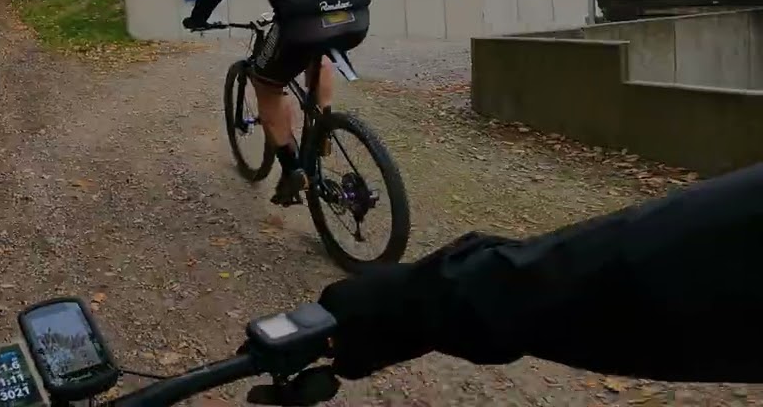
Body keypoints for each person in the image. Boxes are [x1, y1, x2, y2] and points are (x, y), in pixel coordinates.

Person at [318, 161, 763, 384]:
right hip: (343, 12)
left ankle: (292, 160)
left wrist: (413, 305)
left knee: (270, 79)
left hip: (305, 18)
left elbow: (686, 257)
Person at [182, 0, 371, 206]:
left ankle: (291, 168)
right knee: (321, 52)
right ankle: (323, 123)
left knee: (266, 81)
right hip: (354, 14)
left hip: (302, 22)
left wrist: (197, 18)